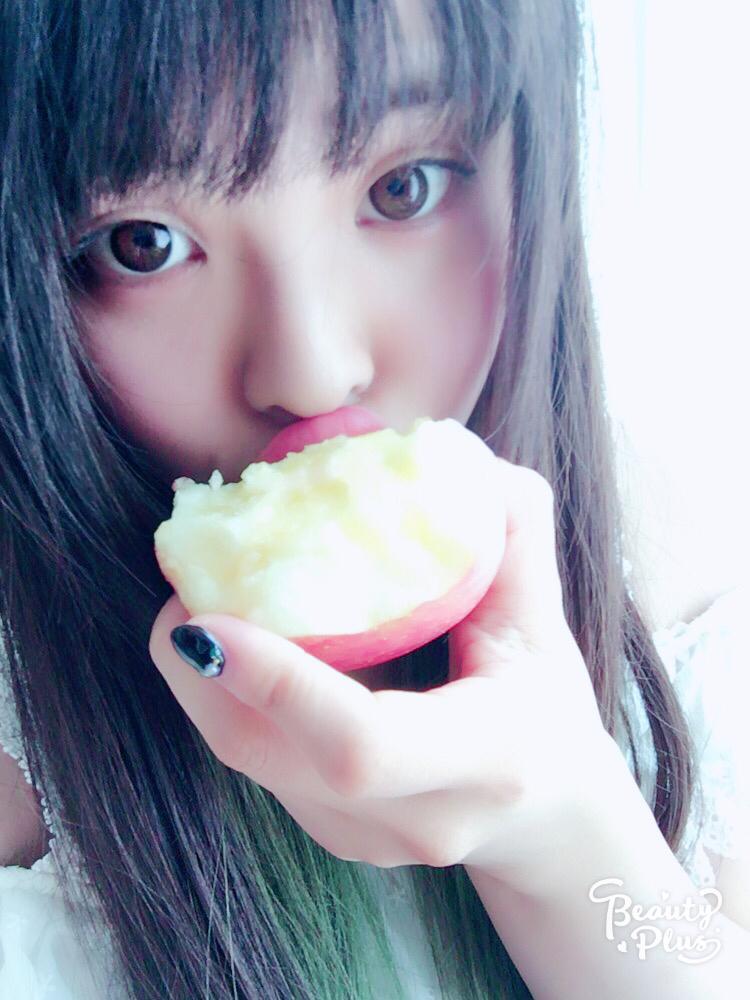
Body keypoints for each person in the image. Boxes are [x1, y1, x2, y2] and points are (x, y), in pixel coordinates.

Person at [0, 0, 748, 996]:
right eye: (143, 244)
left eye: (404, 187)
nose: (313, 369)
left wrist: (564, 836)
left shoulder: (667, 551)